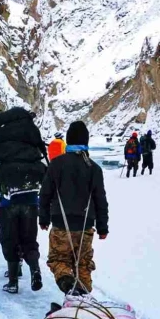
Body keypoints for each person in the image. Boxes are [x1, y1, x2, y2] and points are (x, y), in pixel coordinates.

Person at [39, 121, 109, 295]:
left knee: (58, 260)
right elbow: (100, 200)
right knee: (83, 264)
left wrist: (44, 218)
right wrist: (102, 227)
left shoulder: (56, 164)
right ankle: (83, 299)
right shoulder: (94, 168)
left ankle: (70, 288)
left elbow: (45, 194)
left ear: (68, 141)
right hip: (85, 226)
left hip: (61, 224)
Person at [0, 108, 48, 294]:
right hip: (31, 201)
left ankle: (13, 282)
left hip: (8, 203)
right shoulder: (33, 144)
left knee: (10, 240)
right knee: (29, 240)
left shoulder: (1, 146)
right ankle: (35, 269)